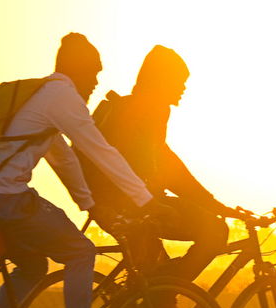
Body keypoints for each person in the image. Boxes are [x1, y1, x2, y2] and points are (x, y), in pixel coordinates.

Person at [0, 33, 156, 308]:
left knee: (33, 267)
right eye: (94, 73)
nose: (96, 82)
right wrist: (145, 200)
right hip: (3, 199)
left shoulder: (40, 96)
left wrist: (89, 204)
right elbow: (101, 151)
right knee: (81, 252)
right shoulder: (63, 96)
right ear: (77, 70)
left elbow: (64, 159)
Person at [80, 45, 231, 285]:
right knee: (215, 231)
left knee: (152, 276)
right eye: (179, 81)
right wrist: (211, 204)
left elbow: (167, 164)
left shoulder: (141, 107)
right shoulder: (149, 110)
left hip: (120, 204)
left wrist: (209, 202)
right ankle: (165, 292)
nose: (183, 88)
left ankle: (157, 295)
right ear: (162, 81)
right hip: (130, 208)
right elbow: (167, 169)